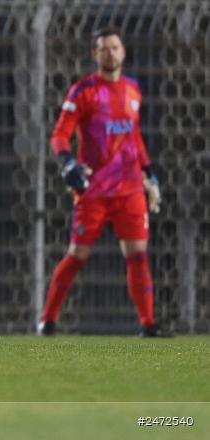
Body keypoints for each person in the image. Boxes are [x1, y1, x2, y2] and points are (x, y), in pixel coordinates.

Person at [38, 26, 167, 337]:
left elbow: (133, 136)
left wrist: (149, 172)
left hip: (131, 188)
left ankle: (148, 325)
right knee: (77, 256)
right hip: (93, 190)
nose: (110, 53)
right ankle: (48, 320)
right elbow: (59, 135)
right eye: (104, 48)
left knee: (137, 254)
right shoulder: (83, 92)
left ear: (123, 52)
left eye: (115, 47)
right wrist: (67, 161)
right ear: (94, 54)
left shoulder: (134, 90)